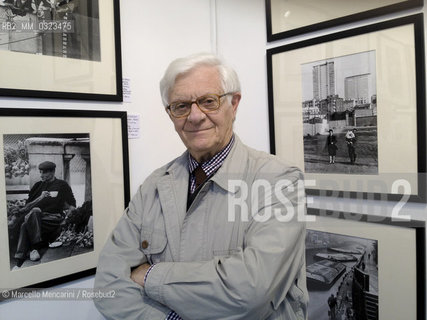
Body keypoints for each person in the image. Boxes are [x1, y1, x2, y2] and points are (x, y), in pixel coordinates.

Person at [94, 53, 308, 320]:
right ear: (170, 114)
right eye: (181, 106)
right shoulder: (153, 186)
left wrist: (149, 275)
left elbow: (251, 292)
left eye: (209, 101)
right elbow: (107, 287)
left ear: (234, 103)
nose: (195, 116)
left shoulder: (280, 181)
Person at [12, 160, 76, 268]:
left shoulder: (62, 185)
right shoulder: (37, 186)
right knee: (34, 213)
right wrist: (40, 198)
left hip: (53, 218)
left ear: (52, 172)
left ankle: (24, 254)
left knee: (26, 223)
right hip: (35, 217)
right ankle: (29, 251)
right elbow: (26, 207)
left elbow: (72, 205)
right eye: (40, 172)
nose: (41, 175)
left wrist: (66, 219)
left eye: (44, 172)